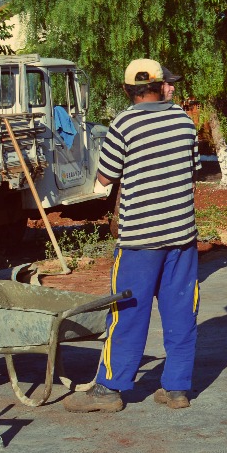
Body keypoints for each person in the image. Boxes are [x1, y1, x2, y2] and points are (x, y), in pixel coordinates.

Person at [65, 59, 201, 413]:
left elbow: (106, 177)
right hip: (182, 237)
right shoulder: (184, 121)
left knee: (126, 312)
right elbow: (193, 171)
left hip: (140, 238)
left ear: (128, 90)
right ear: (161, 85)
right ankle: (176, 389)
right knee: (181, 312)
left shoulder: (123, 123)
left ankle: (110, 389)